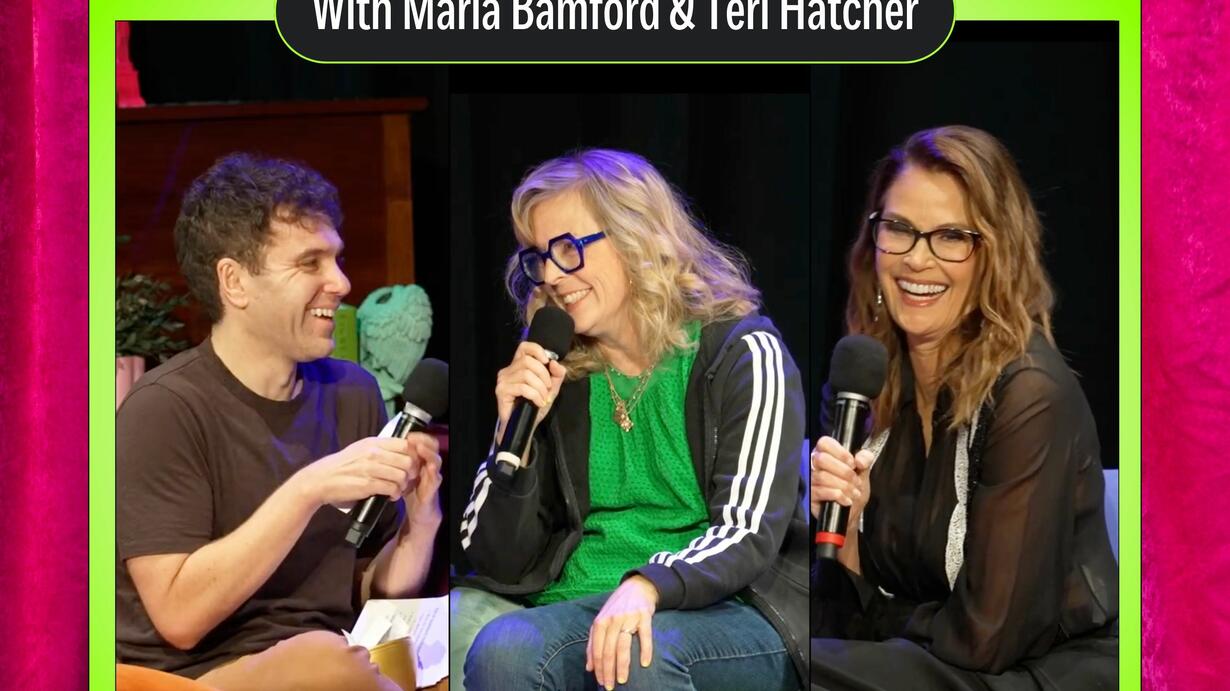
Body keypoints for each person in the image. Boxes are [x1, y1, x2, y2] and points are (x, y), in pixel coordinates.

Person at [454, 149, 810, 690]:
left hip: (728, 607)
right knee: (502, 650)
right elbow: (495, 560)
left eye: (568, 249)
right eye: (539, 257)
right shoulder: (558, 371)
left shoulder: (742, 353)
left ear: (636, 238)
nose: (552, 276)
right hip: (585, 603)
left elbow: (747, 529)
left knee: (639, 656)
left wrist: (650, 584)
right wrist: (512, 442)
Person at [116, 153, 443, 691]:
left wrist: (421, 523)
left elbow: (367, 587)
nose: (340, 282)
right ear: (235, 282)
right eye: (310, 263)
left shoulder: (352, 392)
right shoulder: (162, 409)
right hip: (195, 677)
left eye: (337, 259)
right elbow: (179, 616)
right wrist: (308, 489)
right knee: (328, 665)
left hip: (333, 657)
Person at [809, 126, 1118, 690]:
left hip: (1039, 673)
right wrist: (847, 534)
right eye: (899, 229)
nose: (917, 259)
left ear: (995, 256)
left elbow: (987, 638)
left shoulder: (1030, 395)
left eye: (951, 236)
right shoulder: (865, 376)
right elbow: (837, 610)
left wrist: (882, 618)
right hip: (917, 660)